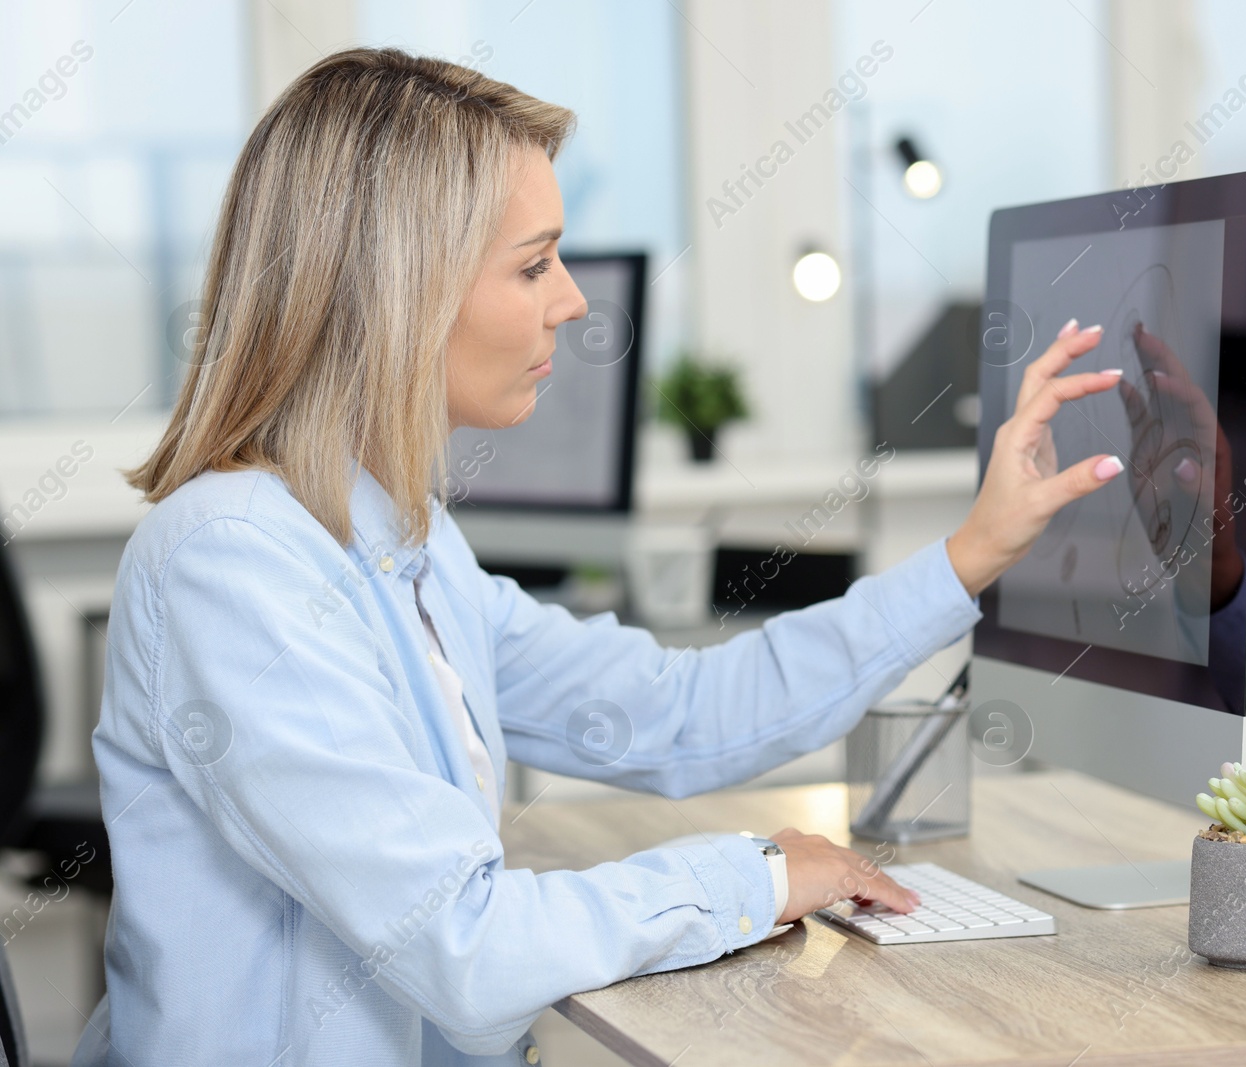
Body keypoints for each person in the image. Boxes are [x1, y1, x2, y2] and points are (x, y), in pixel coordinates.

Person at [72, 47, 1126, 1067]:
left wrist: (971, 552)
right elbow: (463, 945)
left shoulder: (410, 544)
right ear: (399, 292)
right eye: (533, 264)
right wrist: (750, 876)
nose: (573, 300)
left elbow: (679, 709)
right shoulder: (235, 563)